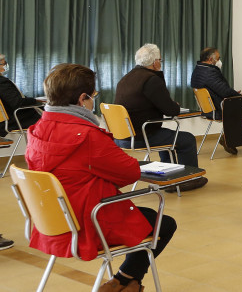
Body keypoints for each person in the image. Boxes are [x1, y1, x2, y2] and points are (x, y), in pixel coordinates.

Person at [25, 63, 177, 292]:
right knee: (163, 223)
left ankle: (125, 282)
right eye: (93, 95)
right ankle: (126, 280)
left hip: (52, 220)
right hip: (88, 224)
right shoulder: (87, 135)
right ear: (82, 98)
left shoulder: (36, 129)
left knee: (145, 218)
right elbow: (130, 172)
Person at [114, 44, 206, 191]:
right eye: (160, 60)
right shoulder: (151, 80)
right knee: (187, 139)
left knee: (166, 136)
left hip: (122, 137)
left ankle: (169, 178)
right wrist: (174, 105)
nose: (160, 63)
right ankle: (188, 179)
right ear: (155, 62)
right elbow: (171, 110)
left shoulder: (126, 78)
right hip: (142, 136)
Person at [189, 47, 241, 154]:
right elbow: (225, 92)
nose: (219, 61)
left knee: (241, 104)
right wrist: (238, 95)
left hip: (208, 108)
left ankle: (228, 137)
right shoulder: (209, 72)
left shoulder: (198, 69)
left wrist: (235, 94)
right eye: (218, 58)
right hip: (218, 109)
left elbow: (219, 89)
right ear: (210, 59)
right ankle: (228, 138)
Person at [0, 53, 42, 137]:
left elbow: (13, 98)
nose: (5, 65)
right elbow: (17, 102)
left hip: (8, 119)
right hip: (14, 119)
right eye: (4, 63)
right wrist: (35, 100)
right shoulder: (2, 82)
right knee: (50, 115)